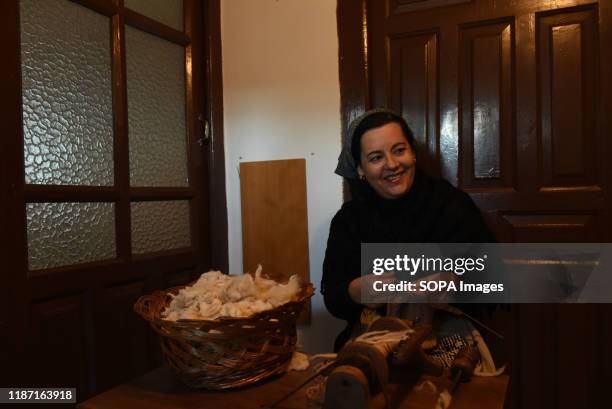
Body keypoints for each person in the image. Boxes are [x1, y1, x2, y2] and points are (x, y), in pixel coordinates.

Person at [321, 108, 496, 352]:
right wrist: (355, 291)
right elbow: (332, 297)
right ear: (360, 169)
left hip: (447, 340)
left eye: (399, 150)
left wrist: (457, 285)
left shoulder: (450, 204)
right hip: (374, 341)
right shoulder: (348, 221)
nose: (392, 164)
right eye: (375, 157)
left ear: (412, 153)